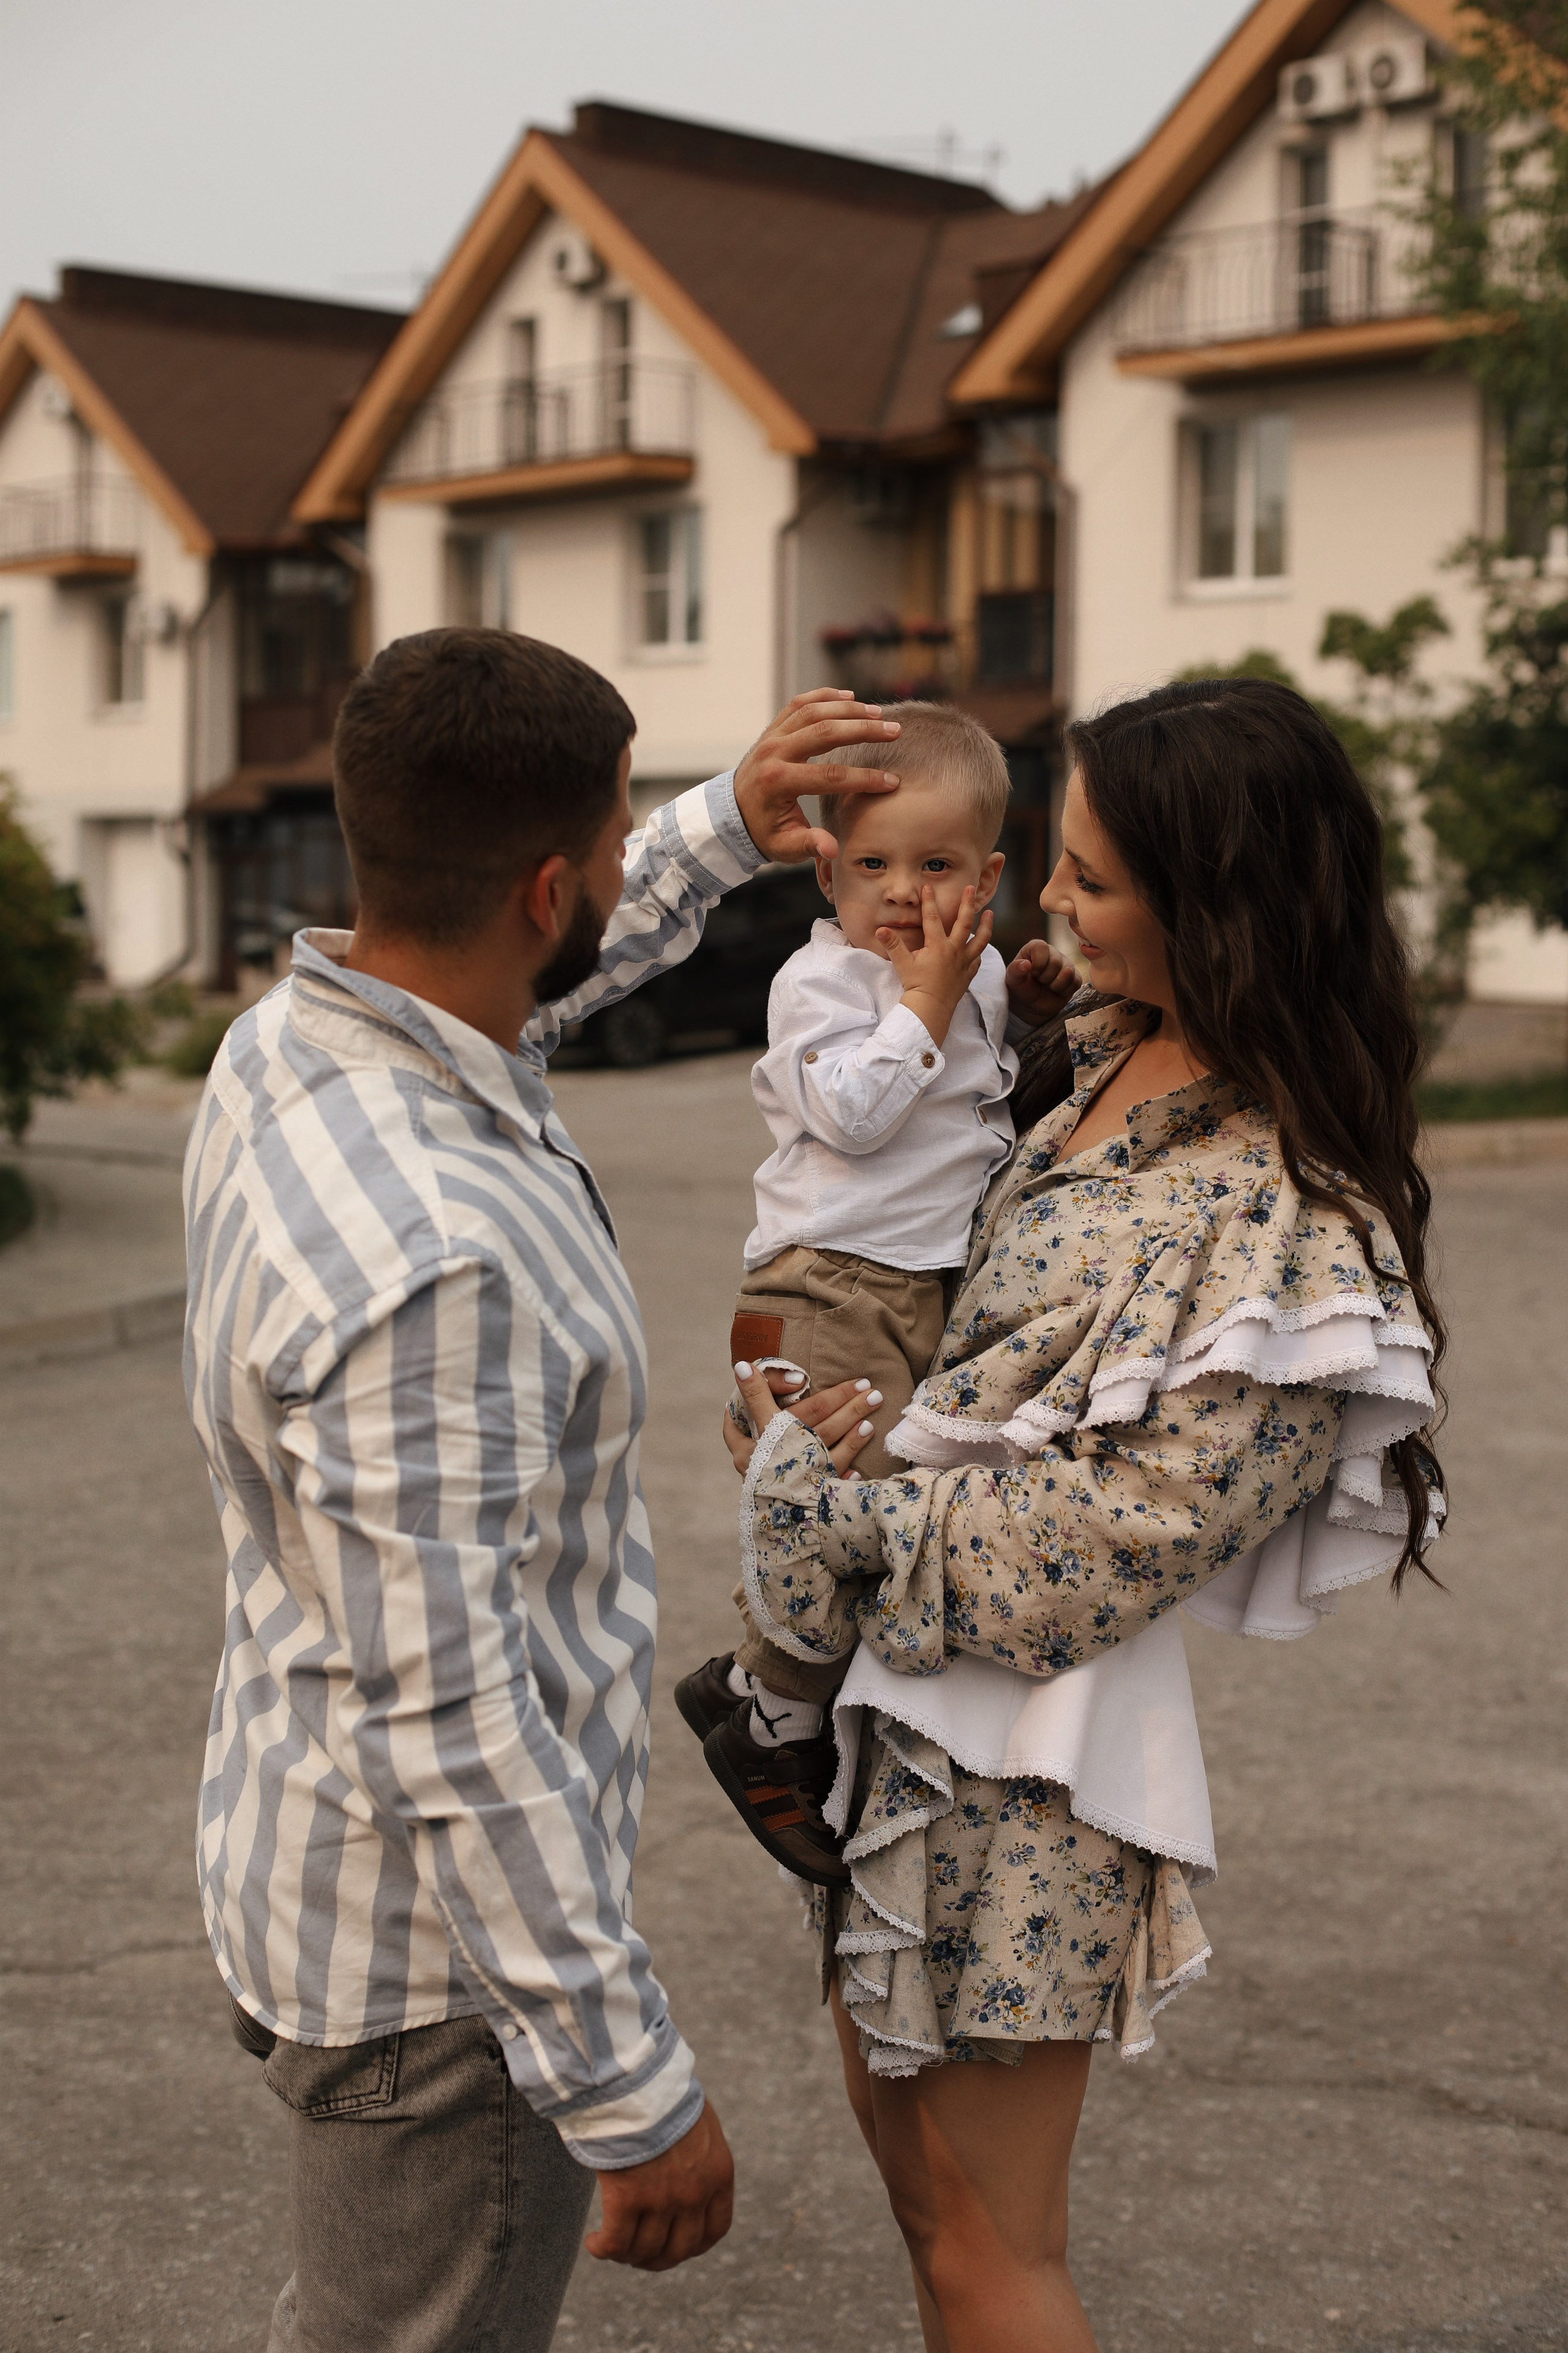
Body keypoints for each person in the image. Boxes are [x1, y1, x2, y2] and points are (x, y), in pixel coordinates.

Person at [181, 627, 904, 2353]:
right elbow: (448, 1704)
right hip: (443, 1993)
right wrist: (624, 2079)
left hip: (316, 1878)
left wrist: (721, 822)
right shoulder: (439, 1258)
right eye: (612, 840)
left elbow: (539, 974)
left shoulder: (296, 1047)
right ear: (544, 879)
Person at [721, 676, 1446, 2353]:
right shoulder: (1094, 1056)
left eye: (1092, 877)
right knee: (925, 2209)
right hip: (903, 1716)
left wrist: (842, 1521)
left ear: (1220, 906)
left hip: (1029, 1763)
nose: (1046, 895)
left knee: (992, 2246)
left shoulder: (1285, 1209)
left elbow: (1137, 1525)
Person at [673, 704, 1077, 1881]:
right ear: (829, 868)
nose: (902, 894)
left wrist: (1028, 1001)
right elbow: (854, 1113)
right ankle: (769, 1723)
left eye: (937, 866)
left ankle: (761, 1687)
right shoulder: (826, 983)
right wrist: (929, 1002)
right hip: (820, 1283)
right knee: (829, 1501)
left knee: (881, 1510)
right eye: (873, 865)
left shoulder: (976, 973)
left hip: (923, 1289)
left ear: (989, 875)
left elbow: (989, 1094)